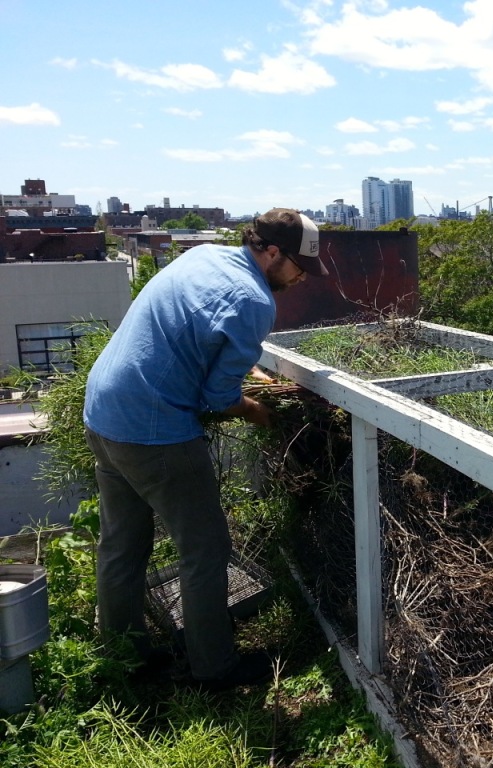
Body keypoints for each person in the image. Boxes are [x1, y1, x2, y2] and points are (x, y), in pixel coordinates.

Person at [83, 208, 328, 690]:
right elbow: (217, 398)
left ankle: (124, 659)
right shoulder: (254, 299)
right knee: (205, 550)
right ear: (273, 252)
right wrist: (256, 410)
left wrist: (247, 371)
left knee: (122, 546)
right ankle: (215, 669)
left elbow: (197, 339)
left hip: (105, 413)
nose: (302, 278)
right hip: (155, 433)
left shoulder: (203, 257)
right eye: (300, 267)